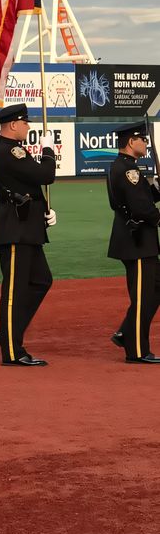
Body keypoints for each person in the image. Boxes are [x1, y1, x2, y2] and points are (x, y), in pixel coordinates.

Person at [0, 104, 57, 366]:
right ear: (13, 125)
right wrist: (48, 149)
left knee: (41, 280)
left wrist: (45, 212)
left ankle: (8, 331)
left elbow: (29, 186)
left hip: (26, 226)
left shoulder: (12, 150)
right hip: (14, 228)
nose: (28, 127)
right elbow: (45, 175)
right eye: (25, 123)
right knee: (15, 290)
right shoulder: (10, 150)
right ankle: (12, 350)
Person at [106, 120, 160, 364]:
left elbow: (144, 197)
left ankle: (126, 332)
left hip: (136, 239)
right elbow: (141, 207)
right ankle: (136, 349)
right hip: (137, 239)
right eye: (143, 140)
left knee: (153, 291)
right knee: (144, 296)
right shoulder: (129, 171)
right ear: (131, 142)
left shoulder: (125, 167)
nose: (146, 144)